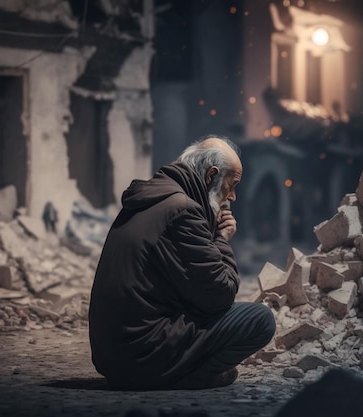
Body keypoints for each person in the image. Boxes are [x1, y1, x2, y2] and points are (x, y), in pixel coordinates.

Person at [88, 134, 276, 390]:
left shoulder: (153, 200)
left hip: (113, 356)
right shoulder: (182, 211)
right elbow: (220, 295)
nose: (232, 196)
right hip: (141, 356)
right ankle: (193, 377)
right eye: (230, 185)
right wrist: (222, 240)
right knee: (260, 319)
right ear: (210, 176)